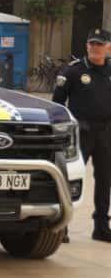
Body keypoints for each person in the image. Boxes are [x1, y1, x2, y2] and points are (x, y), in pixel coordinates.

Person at [53, 28, 111, 242]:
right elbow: (56, 104)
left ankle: (101, 227)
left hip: (106, 132)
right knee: (71, 178)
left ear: (108, 47)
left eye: (100, 44)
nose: (95, 48)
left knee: (105, 180)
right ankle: (62, 226)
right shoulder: (73, 71)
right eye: (92, 44)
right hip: (81, 132)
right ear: (87, 46)